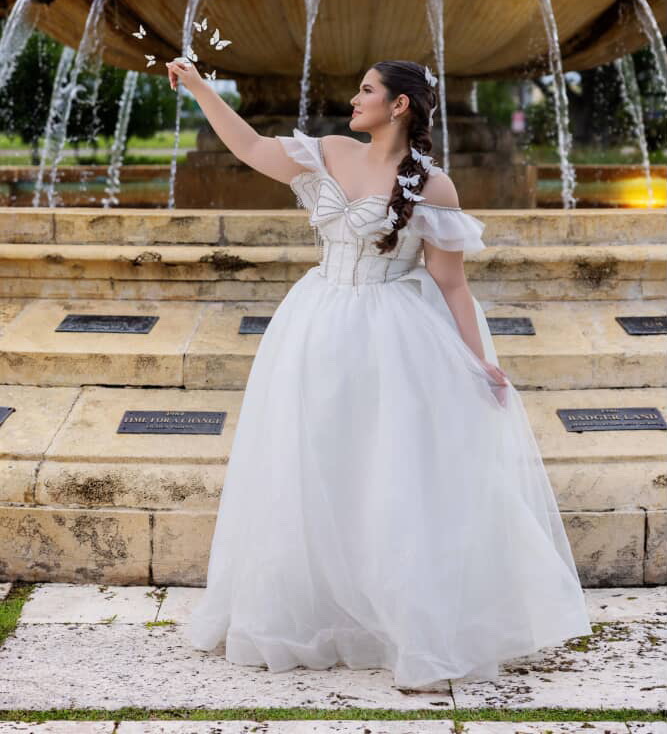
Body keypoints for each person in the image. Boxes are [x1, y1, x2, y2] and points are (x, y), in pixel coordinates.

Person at [167, 54, 593, 690]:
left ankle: (412, 626)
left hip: (396, 336)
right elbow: (252, 146)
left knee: (392, 475)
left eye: (367, 90)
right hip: (315, 327)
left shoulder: (434, 185)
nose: (355, 98)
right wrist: (201, 89)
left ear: (399, 105)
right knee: (313, 466)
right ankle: (319, 613)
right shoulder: (330, 153)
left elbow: (451, 285)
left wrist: (479, 361)